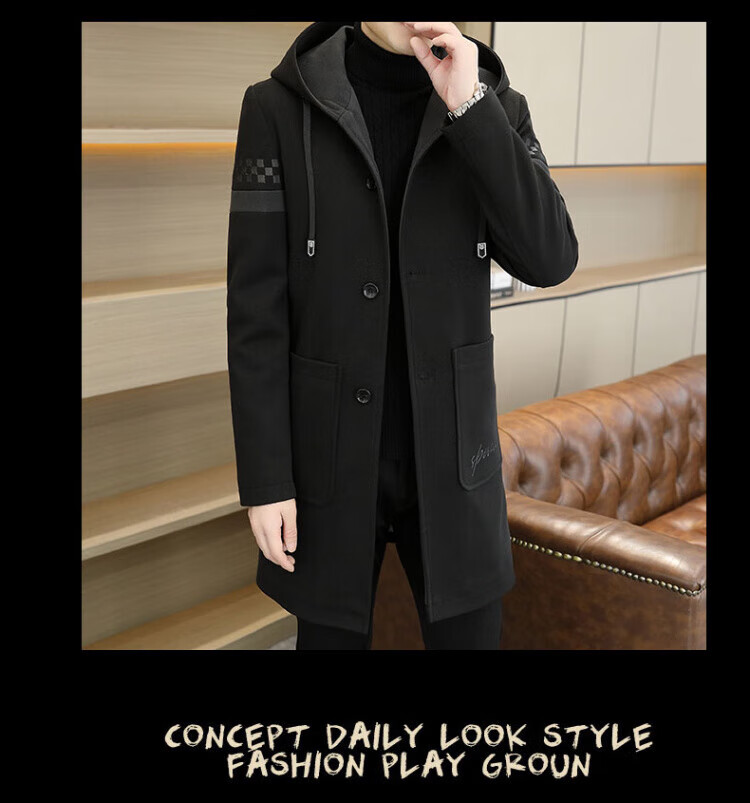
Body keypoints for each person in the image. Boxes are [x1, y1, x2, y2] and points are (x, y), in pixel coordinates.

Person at [226, 21, 578, 650]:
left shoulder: (494, 104)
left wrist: (470, 109)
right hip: (327, 458)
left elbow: (550, 257)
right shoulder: (276, 107)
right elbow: (256, 314)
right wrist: (266, 480)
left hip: (455, 455)